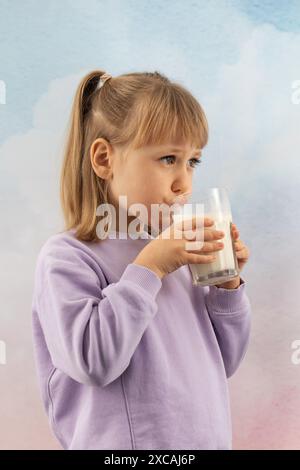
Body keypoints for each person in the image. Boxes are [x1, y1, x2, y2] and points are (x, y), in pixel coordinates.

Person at [31, 69, 251, 450]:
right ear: (104, 159)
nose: (184, 183)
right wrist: (150, 268)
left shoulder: (177, 255)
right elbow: (93, 361)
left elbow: (224, 363)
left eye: (192, 162)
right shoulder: (68, 257)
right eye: (168, 158)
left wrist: (226, 288)